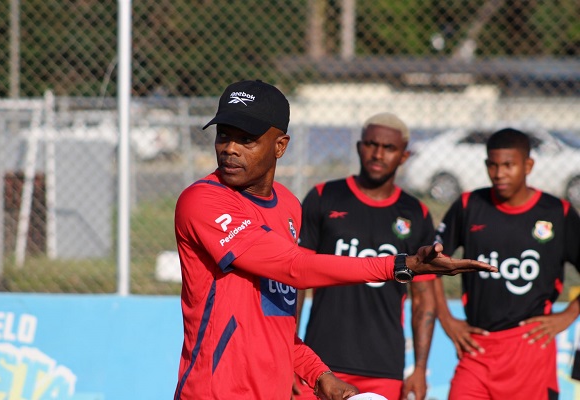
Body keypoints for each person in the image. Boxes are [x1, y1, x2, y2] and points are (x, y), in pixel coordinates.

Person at [173, 79, 496, 400]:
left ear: (280, 146)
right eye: (224, 135)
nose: (230, 148)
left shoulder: (287, 205)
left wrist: (319, 374)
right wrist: (403, 264)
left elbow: (274, 321)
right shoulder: (202, 201)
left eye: (247, 139)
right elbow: (294, 268)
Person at [295, 113, 436, 400]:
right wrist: (288, 354)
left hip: (383, 366)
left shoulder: (416, 213)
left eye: (389, 148)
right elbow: (294, 279)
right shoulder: (323, 197)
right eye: (371, 144)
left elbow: (423, 297)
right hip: (320, 362)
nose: (378, 153)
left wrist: (420, 368)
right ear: (360, 147)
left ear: (404, 156)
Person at [433, 127, 580, 399]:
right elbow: (428, 266)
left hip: (530, 350)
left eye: (509, 165)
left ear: (528, 165)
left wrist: (569, 314)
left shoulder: (557, 212)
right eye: (493, 165)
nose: (499, 174)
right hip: (477, 350)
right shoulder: (469, 205)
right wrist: (447, 319)